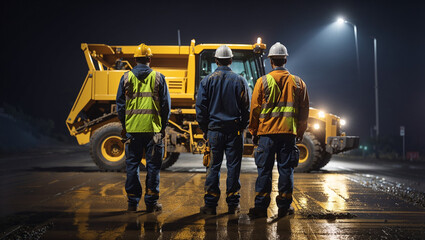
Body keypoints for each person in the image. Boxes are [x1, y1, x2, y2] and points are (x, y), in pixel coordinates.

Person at [248, 42, 309, 219]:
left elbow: (255, 110)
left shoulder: (262, 82)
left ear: (271, 61)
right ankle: (284, 206)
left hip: (266, 134)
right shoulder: (299, 83)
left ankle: (260, 208)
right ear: (285, 60)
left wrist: (253, 130)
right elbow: (304, 111)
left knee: (264, 171)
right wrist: (300, 132)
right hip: (288, 134)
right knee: (286, 170)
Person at [195, 45, 250, 215]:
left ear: (216, 60)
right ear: (231, 60)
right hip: (234, 132)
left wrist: (206, 129)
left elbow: (200, 109)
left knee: (213, 167)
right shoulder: (240, 81)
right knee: (233, 167)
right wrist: (241, 126)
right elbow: (246, 108)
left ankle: (210, 205)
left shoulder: (207, 81)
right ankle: (233, 204)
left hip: (214, 131)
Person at [116, 43, 171, 212]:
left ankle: (132, 203)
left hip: (133, 130)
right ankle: (151, 203)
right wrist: (162, 127)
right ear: (149, 59)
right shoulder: (159, 78)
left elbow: (120, 105)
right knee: (153, 167)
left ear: (135, 59)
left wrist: (125, 125)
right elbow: (166, 106)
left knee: (132, 165)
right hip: (153, 131)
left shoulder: (126, 77)